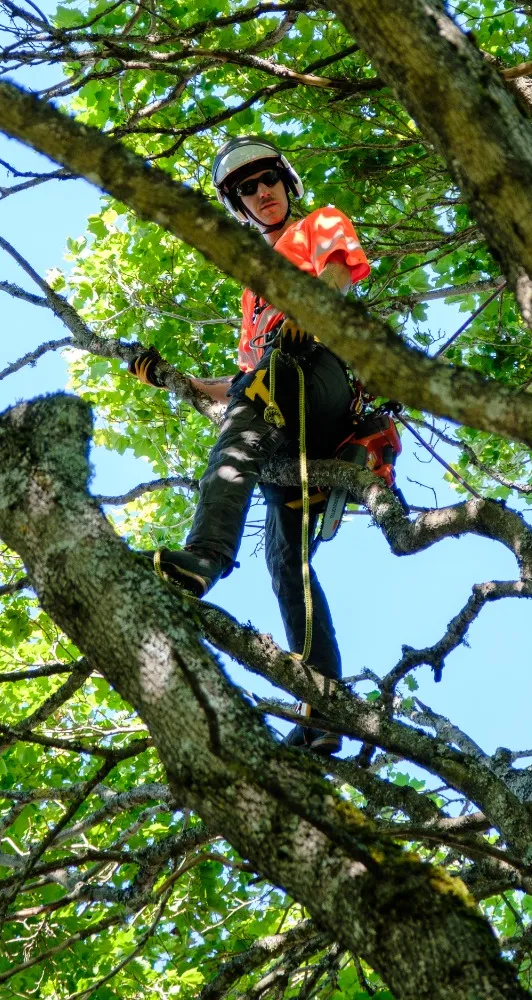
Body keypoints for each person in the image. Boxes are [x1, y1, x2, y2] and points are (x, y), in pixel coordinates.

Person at [128, 136, 370, 752]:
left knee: (265, 386)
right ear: (239, 205)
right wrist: (173, 379)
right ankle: (324, 715)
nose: (262, 193)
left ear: (286, 183)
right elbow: (242, 379)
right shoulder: (251, 289)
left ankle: (207, 555)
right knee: (286, 562)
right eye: (248, 189)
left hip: (322, 374)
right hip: (274, 401)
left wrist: (309, 307)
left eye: (269, 181)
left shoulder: (319, 222)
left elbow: (339, 275)